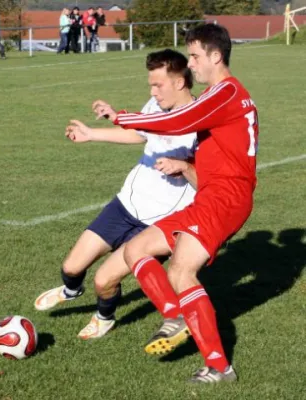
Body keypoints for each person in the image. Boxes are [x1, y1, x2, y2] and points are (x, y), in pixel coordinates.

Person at [93, 24, 259, 383]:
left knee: (181, 271)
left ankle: (218, 366)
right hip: (212, 195)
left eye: (196, 56)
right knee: (137, 249)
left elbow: (176, 121)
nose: (192, 64)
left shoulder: (226, 92)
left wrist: (121, 116)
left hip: (226, 197)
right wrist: (187, 166)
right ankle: (175, 314)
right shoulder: (219, 95)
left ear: (216, 56)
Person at [35, 49, 198, 341]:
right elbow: (140, 134)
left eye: (158, 84)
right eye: (150, 84)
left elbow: (210, 183)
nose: (152, 91)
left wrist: (184, 167)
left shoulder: (201, 124)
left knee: (103, 281)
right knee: (71, 267)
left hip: (159, 223)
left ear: (179, 82)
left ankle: (104, 317)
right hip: (126, 205)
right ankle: (72, 290)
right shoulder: (156, 104)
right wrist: (92, 134)